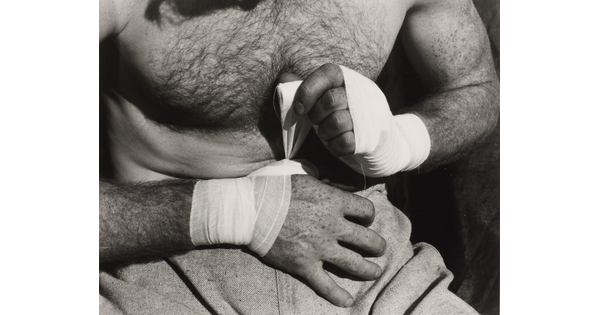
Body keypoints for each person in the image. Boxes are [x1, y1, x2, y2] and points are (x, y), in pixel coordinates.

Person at [99, 0, 499, 313]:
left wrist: (399, 140)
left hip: (372, 262)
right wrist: (237, 211)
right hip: (168, 270)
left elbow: (476, 87)